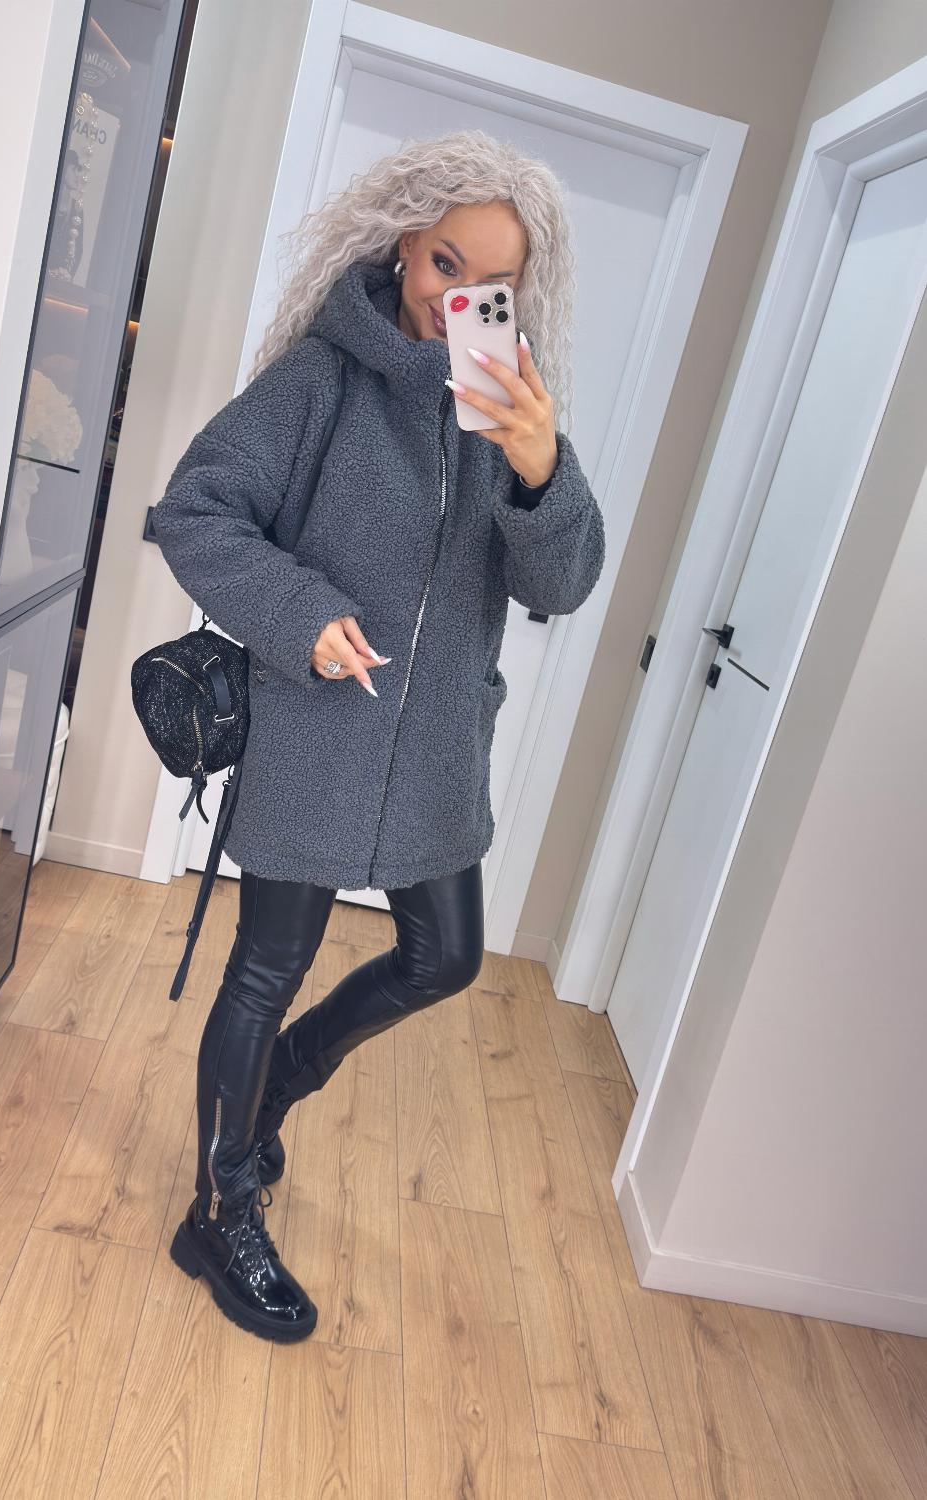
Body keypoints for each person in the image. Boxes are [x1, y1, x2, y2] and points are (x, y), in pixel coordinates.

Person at [152, 129, 606, 1342]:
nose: (456, 299)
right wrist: (300, 615)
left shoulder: (503, 402)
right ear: (404, 241)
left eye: (488, 283)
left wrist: (538, 469)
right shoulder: (320, 380)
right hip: (313, 735)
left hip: (436, 751)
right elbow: (196, 511)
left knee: (443, 957)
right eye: (444, 263)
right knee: (265, 970)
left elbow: (560, 585)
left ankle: (272, 1091)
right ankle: (219, 1209)